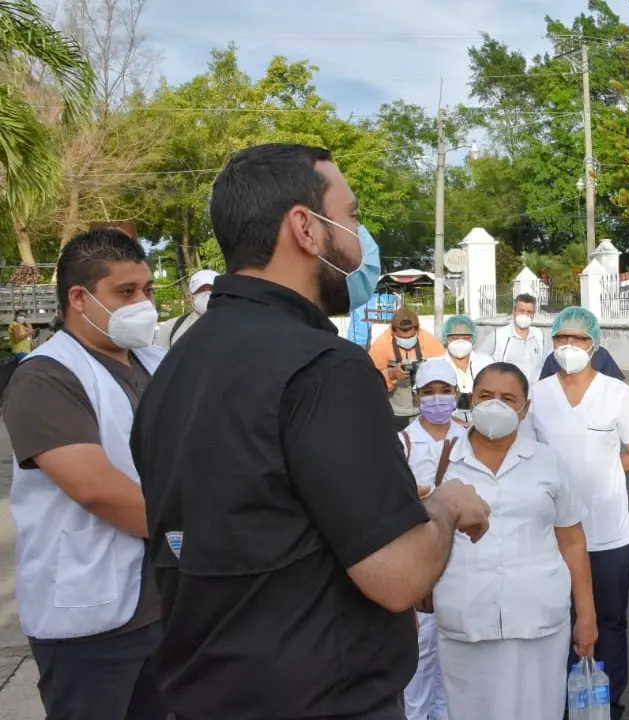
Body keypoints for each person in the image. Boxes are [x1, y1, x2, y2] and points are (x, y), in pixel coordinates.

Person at [129, 143, 490, 720]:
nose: (359, 236)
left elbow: (251, 516)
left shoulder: (177, 366)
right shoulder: (325, 367)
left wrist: (380, 507)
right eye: (349, 217)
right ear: (306, 227)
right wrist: (445, 506)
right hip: (319, 698)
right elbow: (398, 577)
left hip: (204, 690)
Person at [3, 228, 167, 720]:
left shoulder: (154, 362)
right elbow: (99, 491)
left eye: (147, 291)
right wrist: (202, 530)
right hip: (92, 623)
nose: (144, 304)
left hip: (164, 607)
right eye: (126, 292)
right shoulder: (46, 376)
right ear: (79, 297)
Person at [429, 363, 597, 720]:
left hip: (538, 619)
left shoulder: (548, 462)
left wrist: (587, 615)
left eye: (508, 398)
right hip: (467, 618)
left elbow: (572, 542)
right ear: (470, 400)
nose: (495, 406)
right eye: (486, 396)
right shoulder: (443, 463)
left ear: (525, 408)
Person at [528, 307, 629, 720]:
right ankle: (564, 704)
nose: (569, 346)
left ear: (593, 344)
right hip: (551, 535)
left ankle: (607, 703)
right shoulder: (538, 393)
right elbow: (524, 453)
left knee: (610, 623)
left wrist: (600, 472)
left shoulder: (616, 393)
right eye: (561, 338)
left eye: (578, 339)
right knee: (559, 623)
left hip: (609, 533)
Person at [400, 357, 469, 720]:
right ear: (417, 396)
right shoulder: (403, 441)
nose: (438, 399)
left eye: (445, 391)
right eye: (430, 393)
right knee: (422, 647)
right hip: (422, 555)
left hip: (466, 554)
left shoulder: (472, 434)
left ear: (457, 394)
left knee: (455, 647)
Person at [369, 306, 446, 430]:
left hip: (426, 410)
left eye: (410, 335)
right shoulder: (380, 346)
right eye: (402, 335)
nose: (406, 338)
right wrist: (391, 375)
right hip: (394, 412)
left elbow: (444, 374)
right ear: (393, 331)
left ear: (417, 329)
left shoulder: (432, 343)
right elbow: (370, 383)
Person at [485, 292, 546, 385]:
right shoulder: (499, 335)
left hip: (534, 394)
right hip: (506, 393)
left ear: (534, 314)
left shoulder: (539, 335)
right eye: (521, 311)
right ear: (514, 311)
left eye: (529, 312)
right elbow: (479, 360)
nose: (525, 315)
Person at [441, 314, 494, 421]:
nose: (460, 341)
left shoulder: (487, 362)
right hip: (447, 426)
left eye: (466, 338)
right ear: (446, 338)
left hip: (482, 424)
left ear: (473, 338)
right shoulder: (435, 364)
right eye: (455, 338)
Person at [155, 269, 218, 349]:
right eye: (200, 290)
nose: (206, 294)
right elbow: (159, 358)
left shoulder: (236, 327)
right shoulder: (170, 328)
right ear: (190, 296)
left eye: (212, 289)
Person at [540, 342, 627, 381]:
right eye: (564, 336)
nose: (570, 341)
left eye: (578, 337)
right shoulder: (553, 359)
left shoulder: (600, 355)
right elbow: (543, 390)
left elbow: (616, 386)